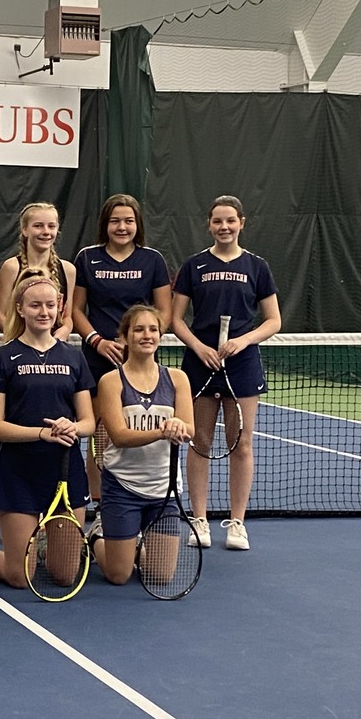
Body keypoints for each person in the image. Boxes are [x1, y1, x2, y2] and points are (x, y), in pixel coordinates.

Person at [0, 271, 95, 587]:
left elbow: (89, 422)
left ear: (60, 307)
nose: (43, 312)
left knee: (65, 576)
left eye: (50, 305)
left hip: (65, 473)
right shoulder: (3, 357)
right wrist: (40, 433)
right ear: (20, 309)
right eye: (35, 305)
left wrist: (73, 427)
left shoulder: (74, 357)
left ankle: (40, 544)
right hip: (18, 474)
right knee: (19, 577)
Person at [171, 195, 281, 550]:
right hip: (201, 364)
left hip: (242, 364)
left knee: (241, 444)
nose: (224, 227)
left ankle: (237, 524)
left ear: (241, 223)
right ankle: (199, 521)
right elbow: (174, 319)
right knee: (199, 441)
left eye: (230, 220)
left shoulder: (257, 266)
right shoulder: (194, 265)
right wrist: (198, 347)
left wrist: (243, 341)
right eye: (218, 221)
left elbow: (274, 320)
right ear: (209, 224)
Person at [72, 194, 171, 512]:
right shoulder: (87, 258)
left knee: (134, 429)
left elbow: (164, 313)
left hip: (140, 364)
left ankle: (133, 499)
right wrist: (97, 340)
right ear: (105, 224)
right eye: (115, 220)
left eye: (128, 220)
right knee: (98, 433)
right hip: (97, 359)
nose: (122, 226)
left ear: (137, 224)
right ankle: (98, 503)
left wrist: (137, 342)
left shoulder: (152, 260)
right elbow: (75, 310)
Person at [88, 305, 194, 584]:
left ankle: (128, 545)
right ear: (124, 336)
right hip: (122, 487)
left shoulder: (178, 379)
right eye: (138, 329)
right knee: (118, 575)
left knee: (159, 576)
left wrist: (179, 427)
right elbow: (120, 436)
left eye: (153, 329)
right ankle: (98, 537)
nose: (146, 335)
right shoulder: (111, 381)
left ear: (160, 335)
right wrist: (163, 431)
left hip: (165, 490)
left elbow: (190, 429)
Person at [0, 202, 76, 342]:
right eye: (38, 226)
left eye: (51, 226)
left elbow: (67, 317)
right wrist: (23, 340)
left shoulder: (68, 270)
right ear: (25, 230)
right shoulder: (12, 267)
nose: (46, 232)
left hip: (54, 348)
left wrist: (65, 330)